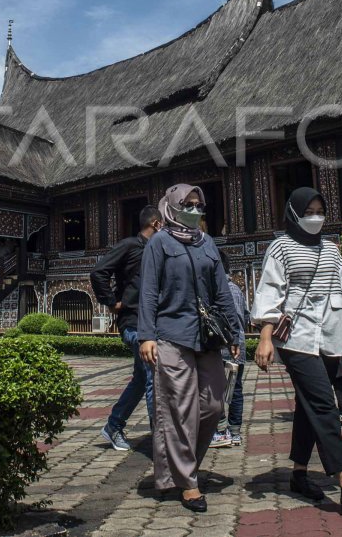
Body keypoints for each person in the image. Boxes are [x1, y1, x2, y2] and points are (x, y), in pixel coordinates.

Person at [252, 187, 342, 516]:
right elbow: (270, 293)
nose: (315, 216)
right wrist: (265, 338)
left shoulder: (332, 249)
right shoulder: (281, 248)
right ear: (293, 213)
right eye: (308, 210)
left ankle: (298, 474)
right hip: (296, 339)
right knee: (324, 403)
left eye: (320, 209)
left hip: (330, 337)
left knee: (308, 405)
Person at [139, 184, 241, 513]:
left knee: (212, 406)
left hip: (207, 337)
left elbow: (222, 291)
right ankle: (188, 481)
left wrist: (234, 334)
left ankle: (184, 467)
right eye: (188, 204)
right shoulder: (159, 243)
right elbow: (149, 291)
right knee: (180, 410)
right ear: (172, 206)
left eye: (199, 205)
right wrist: (146, 336)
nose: (195, 210)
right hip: (171, 334)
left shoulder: (206, 242)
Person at [91, 205, 161, 451]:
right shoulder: (131, 245)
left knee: (142, 379)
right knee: (154, 375)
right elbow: (99, 272)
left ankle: (113, 426)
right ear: (156, 224)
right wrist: (111, 302)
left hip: (149, 323)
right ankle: (161, 441)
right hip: (133, 322)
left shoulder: (155, 250)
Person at [212, 275, 248, 448]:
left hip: (219, 346)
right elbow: (246, 315)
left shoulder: (214, 288)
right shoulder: (237, 290)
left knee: (215, 388)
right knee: (236, 389)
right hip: (237, 345)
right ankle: (235, 433)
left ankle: (219, 431)